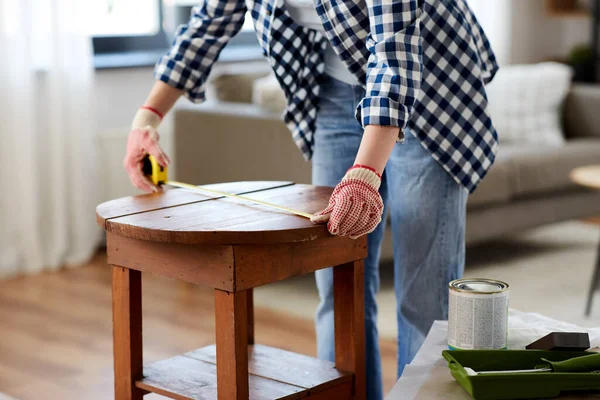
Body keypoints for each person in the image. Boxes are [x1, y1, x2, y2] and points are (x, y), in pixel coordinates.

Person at [124, 0, 498, 398]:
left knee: (425, 294)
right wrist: (145, 119)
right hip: (335, 92)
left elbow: (395, 53)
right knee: (336, 280)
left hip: (427, 85)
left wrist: (365, 173)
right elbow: (208, 23)